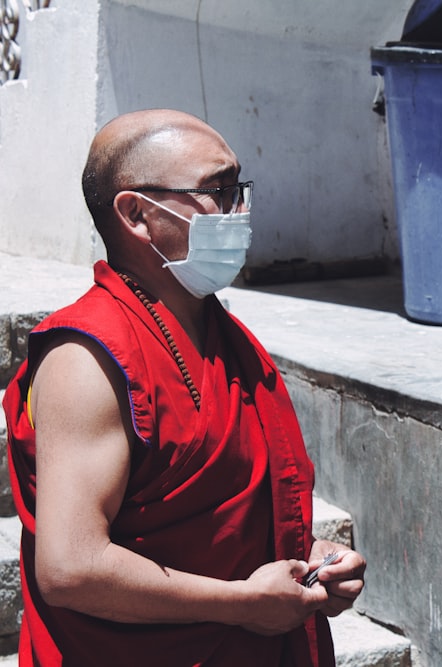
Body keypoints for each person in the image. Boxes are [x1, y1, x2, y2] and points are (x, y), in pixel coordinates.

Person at [2, 108, 366, 666]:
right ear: (136, 214)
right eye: (216, 191)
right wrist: (242, 604)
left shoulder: (218, 332)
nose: (237, 211)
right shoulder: (88, 358)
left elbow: (231, 521)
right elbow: (72, 569)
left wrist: (307, 559)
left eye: (238, 187)